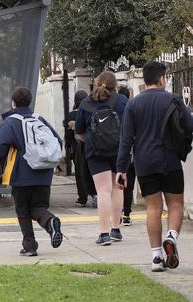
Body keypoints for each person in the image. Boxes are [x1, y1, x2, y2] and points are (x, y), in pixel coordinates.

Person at [117, 62, 193, 272]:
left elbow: (126, 140)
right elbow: (190, 126)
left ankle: (156, 257)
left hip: (145, 163)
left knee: (153, 208)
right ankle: (172, 237)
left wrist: (121, 169)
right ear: (162, 79)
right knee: (175, 204)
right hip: (170, 160)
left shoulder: (133, 105)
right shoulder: (174, 100)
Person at [0, 87, 63, 256]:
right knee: (39, 207)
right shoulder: (39, 119)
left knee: (23, 210)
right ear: (30, 102)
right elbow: (57, 141)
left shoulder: (11, 122)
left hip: (22, 174)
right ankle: (50, 222)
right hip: (44, 174)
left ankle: (30, 246)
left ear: (13, 103)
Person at [75, 71, 128, 246]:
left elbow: (79, 132)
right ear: (116, 86)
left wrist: (93, 141)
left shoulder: (85, 103)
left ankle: (103, 234)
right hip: (118, 150)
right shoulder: (121, 101)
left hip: (96, 153)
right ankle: (116, 229)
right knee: (117, 188)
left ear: (96, 84)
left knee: (103, 191)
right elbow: (129, 127)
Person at [67, 90, 97, 207]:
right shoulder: (92, 110)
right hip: (93, 145)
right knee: (93, 172)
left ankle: (82, 198)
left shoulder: (72, 115)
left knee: (80, 173)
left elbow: (69, 135)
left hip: (78, 147)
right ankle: (95, 196)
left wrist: (69, 148)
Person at [117, 85, 136, 226]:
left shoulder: (113, 105)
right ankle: (127, 215)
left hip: (115, 150)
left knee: (117, 185)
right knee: (129, 185)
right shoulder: (132, 106)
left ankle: (116, 213)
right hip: (131, 151)